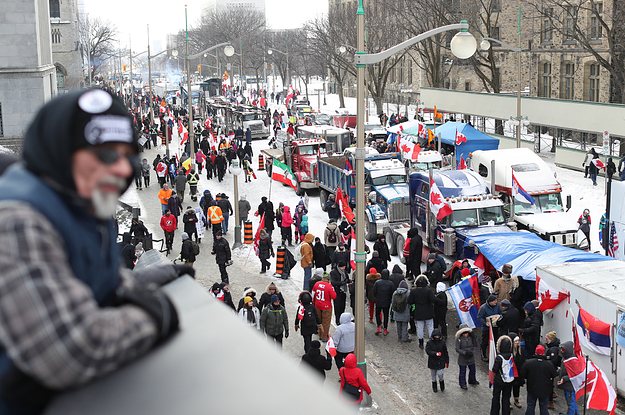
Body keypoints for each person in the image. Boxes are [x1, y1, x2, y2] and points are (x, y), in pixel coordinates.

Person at [0, 89, 186, 414]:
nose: (120, 168)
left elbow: (89, 279)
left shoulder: (79, 199)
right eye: (104, 153)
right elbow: (69, 351)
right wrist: (156, 315)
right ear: (62, 150)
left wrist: (139, 283)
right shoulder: (18, 219)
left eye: (126, 154)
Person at [408, 275, 443, 349]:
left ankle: (421, 343)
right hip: (428, 311)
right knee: (430, 327)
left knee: (420, 328)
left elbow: (410, 301)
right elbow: (433, 299)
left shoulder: (413, 291)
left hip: (418, 312)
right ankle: (432, 341)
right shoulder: (428, 291)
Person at [520, 345, 557, 415]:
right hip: (545, 389)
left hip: (532, 388)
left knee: (530, 406)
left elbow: (522, 373)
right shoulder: (548, 364)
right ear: (543, 353)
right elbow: (554, 374)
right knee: (544, 407)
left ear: (535, 352)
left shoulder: (528, 363)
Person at [490, 335, 515, 415]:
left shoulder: (499, 357)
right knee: (506, 398)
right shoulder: (512, 356)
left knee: (496, 397)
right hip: (509, 380)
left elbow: (495, 369)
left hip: (499, 380)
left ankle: (495, 412)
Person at [311, 273, 336, 342]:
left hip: (317, 305)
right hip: (326, 306)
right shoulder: (329, 286)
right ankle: (324, 336)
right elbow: (334, 296)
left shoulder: (317, 284)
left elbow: (313, 293)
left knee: (319, 321)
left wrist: (314, 301)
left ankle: (319, 334)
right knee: (326, 322)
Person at [556, 341, 579, 415]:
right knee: (571, 401)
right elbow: (562, 369)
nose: (561, 351)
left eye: (563, 349)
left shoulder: (573, 360)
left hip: (570, 386)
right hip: (567, 385)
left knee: (570, 404)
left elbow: (574, 374)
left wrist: (564, 379)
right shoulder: (565, 357)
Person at [478, 294, 502, 361]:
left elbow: (500, 313)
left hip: (495, 327)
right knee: (484, 341)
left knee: (495, 340)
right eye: (494, 301)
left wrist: (499, 316)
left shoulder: (497, 306)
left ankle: (494, 354)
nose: (496, 302)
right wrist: (485, 323)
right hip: (486, 328)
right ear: (490, 302)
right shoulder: (483, 307)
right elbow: (479, 317)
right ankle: (483, 354)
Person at [455, 324, 479, 390]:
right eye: (464, 333)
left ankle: (472, 380)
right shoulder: (458, 339)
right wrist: (464, 353)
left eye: (467, 333)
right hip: (463, 358)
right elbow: (457, 349)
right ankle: (463, 384)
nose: (465, 335)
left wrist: (474, 337)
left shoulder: (471, 337)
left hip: (471, 357)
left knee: (473, 370)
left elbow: (476, 344)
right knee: (462, 372)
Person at [372, 269, 395, 336]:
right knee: (386, 315)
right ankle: (385, 328)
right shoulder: (390, 283)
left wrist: (377, 297)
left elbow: (374, 291)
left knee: (377, 313)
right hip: (387, 302)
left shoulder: (377, 282)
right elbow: (392, 293)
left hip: (379, 301)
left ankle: (379, 326)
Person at [544, 331, 561, 410]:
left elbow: (553, 361)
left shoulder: (553, 349)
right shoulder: (552, 347)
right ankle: (553, 394)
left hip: (551, 369)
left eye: (547, 338)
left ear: (550, 339)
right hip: (551, 369)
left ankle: (550, 402)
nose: (545, 340)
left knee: (549, 385)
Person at [330, 260, 350, 325]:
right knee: (337, 307)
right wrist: (342, 283)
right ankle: (338, 320)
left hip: (343, 292)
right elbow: (333, 282)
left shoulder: (344, 272)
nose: (344, 268)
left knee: (342, 306)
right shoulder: (334, 272)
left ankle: (342, 319)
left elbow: (347, 278)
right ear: (340, 267)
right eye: (343, 267)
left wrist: (349, 281)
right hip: (337, 292)